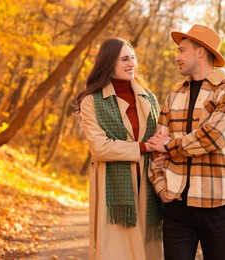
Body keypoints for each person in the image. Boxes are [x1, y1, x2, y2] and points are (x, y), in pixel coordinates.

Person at [147, 24, 225, 260]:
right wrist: (163, 190)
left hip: (218, 207)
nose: (176, 57)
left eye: (182, 50)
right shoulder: (173, 96)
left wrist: (170, 145)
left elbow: (213, 137)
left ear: (200, 51)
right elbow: (155, 149)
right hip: (176, 207)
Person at [74, 38, 163, 260]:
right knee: (116, 250)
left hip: (149, 185)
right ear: (108, 63)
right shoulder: (91, 101)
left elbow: (160, 138)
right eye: (124, 59)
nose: (131, 63)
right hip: (113, 190)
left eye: (133, 58)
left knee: (148, 248)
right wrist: (143, 147)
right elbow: (100, 148)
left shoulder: (148, 98)